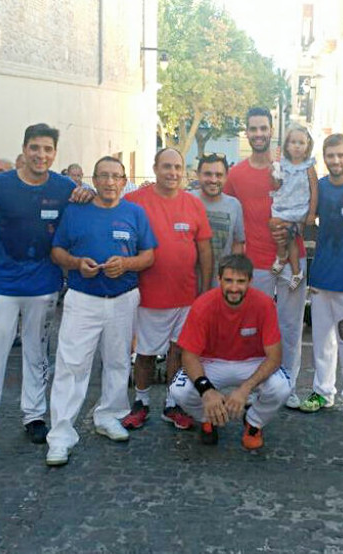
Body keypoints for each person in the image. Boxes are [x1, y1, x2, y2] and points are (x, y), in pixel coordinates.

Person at [0, 124, 80, 457]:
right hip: (1, 285)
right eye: (35, 148)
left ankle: (34, 416)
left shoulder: (65, 187)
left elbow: (84, 212)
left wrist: (88, 194)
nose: (41, 155)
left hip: (44, 285)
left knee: (37, 353)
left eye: (48, 149)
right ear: (24, 149)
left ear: (55, 153)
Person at [45, 156, 156, 466]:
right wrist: (77, 263)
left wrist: (127, 264)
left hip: (123, 298)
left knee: (119, 362)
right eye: (104, 176)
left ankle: (109, 415)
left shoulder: (135, 212)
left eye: (116, 176)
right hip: (83, 298)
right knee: (72, 366)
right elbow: (56, 251)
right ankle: (61, 436)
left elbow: (148, 255)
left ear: (124, 180)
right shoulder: (76, 211)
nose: (109, 182)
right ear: (94, 179)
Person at [121, 148, 212, 432]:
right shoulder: (135, 201)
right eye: (166, 167)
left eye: (177, 167)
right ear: (155, 168)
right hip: (147, 295)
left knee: (178, 352)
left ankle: (172, 404)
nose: (172, 173)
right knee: (145, 353)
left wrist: (205, 290)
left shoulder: (194, 204)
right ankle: (141, 402)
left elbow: (205, 248)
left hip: (185, 296)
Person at [224, 107, 307, 409]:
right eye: (253, 128)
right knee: (254, 328)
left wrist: (294, 227)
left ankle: (288, 385)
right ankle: (255, 386)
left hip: (292, 260)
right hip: (255, 263)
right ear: (246, 132)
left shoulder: (291, 167)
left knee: (290, 326)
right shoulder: (235, 174)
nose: (258, 133)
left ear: (272, 131)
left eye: (263, 128)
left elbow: (310, 205)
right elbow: (221, 206)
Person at [170, 254, 291, 450]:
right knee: (179, 391)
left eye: (241, 281)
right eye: (228, 280)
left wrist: (245, 389)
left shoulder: (265, 304)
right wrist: (207, 391)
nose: (234, 288)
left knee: (282, 388)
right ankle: (209, 417)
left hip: (252, 362)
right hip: (211, 362)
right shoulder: (202, 305)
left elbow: (275, 357)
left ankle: (253, 422)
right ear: (219, 280)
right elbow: (189, 355)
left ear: (250, 281)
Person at [299, 134, 343, 421]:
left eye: (341, 155)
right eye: (331, 156)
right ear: (324, 158)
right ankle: (322, 391)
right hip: (322, 276)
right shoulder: (321, 187)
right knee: (321, 339)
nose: (336, 161)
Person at [269, 125, 318, 289]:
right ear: (287, 145)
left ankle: (294, 269)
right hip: (283, 204)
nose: (297, 146)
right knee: (276, 226)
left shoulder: (308, 166)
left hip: (299, 209)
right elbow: (277, 184)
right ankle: (284, 258)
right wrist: (274, 171)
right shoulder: (282, 164)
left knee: (291, 237)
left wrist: (311, 213)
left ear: (307, 146)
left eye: (301, 143)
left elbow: (314, 189)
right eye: (293, 142)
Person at [191, 152, 245, 289]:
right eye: (208, 174)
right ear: (198, 174)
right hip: (188, 283)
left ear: (226, 176)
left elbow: (238, 244)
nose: (213, 180)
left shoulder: (234, 205)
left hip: (220, 285)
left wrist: (232, 277)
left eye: (219, 175)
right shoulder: (187, 200)